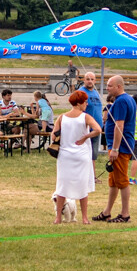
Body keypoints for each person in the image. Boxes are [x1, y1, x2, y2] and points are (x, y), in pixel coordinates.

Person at [53, 90, 102, 224]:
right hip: (82, 155)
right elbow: (98, 129)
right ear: (80, 103)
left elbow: (53, 135)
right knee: (82, 186)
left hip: (65, 155)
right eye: (85, 102)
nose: (87, 104)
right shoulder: (85, 117)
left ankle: (58, 218)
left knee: (62, 186)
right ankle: (84, 218)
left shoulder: (62, 117)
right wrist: (86, 136)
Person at [93, 76, 137, 223]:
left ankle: (125, 214)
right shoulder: (126, 99)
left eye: (110, 86)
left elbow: (120, 126)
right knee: (113, 181)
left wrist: (115, 149)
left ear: (119, 86)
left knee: (122, 181)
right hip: (118, 147)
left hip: (121, 148)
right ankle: (107, 212)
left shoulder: (121, 101)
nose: (107, 88)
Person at [80, 72, 103, 161]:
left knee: (94, 154)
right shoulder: (81, 92)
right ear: (84, 80)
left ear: (95, 81)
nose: (90, 81)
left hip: (97, 127)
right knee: (86, 154)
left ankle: (92, 174)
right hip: (86, 128)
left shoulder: (95, 93)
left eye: (92, 79)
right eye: (88, 79)